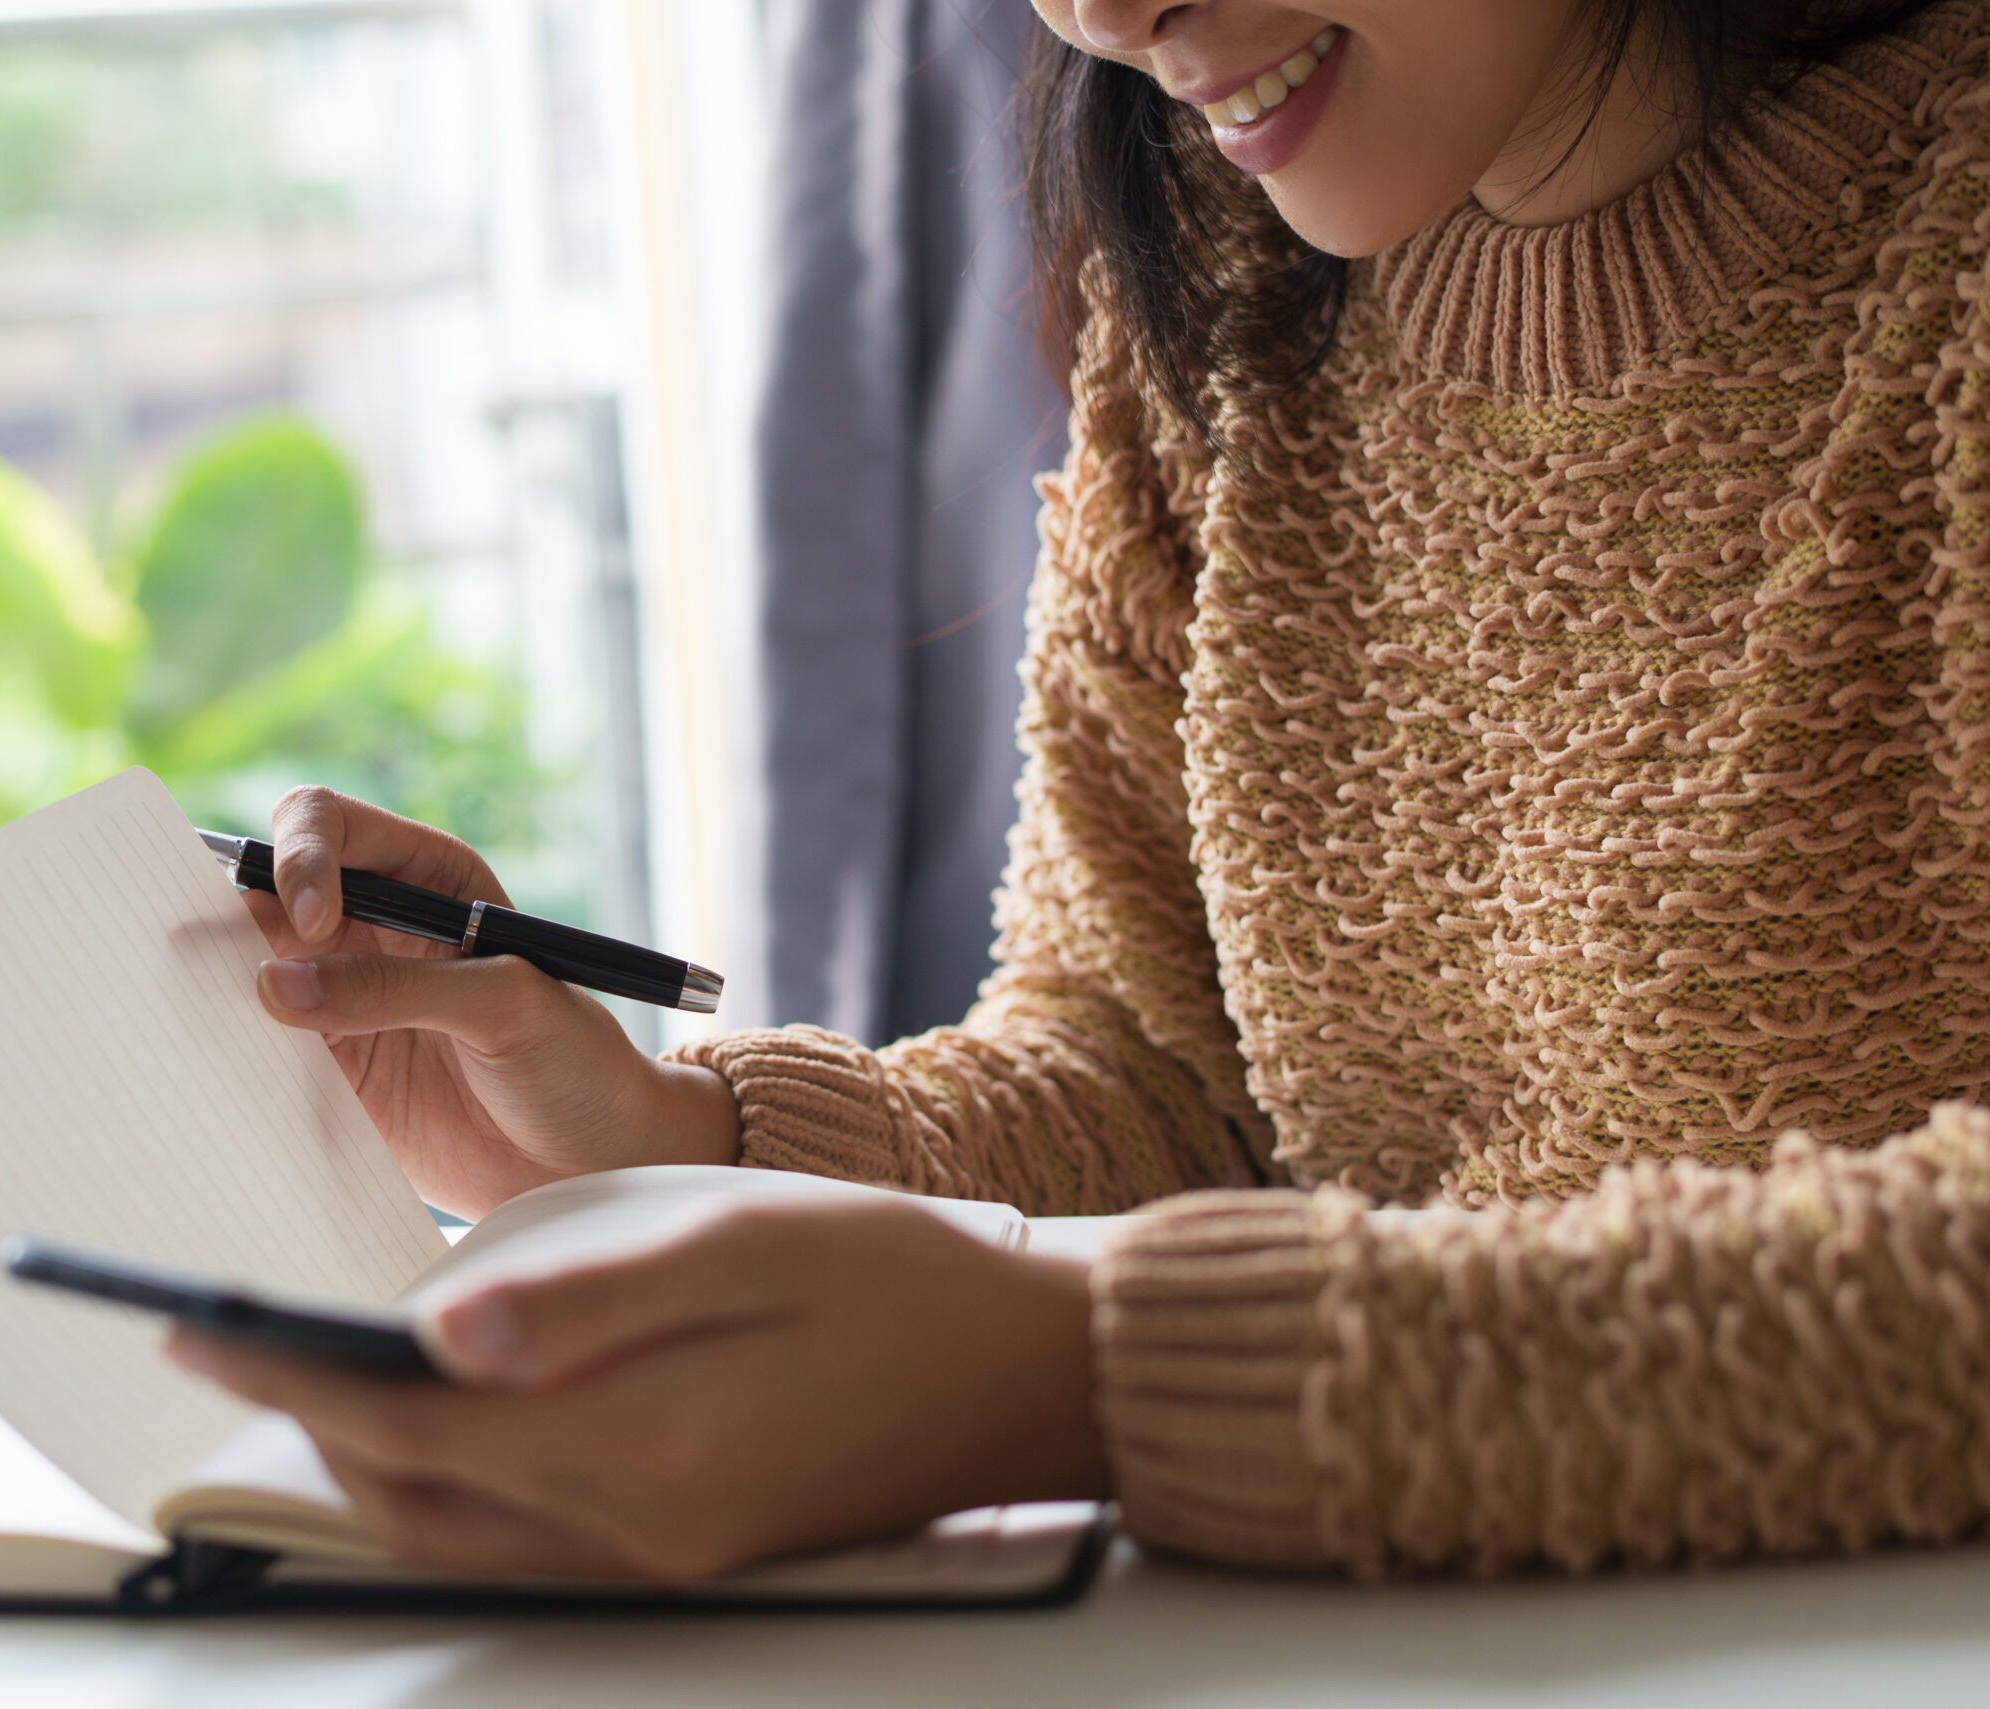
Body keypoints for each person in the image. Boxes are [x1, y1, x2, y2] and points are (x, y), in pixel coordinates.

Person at [164, 0, 1990, 1582]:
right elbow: (1154, 1068)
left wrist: (1095, 1371)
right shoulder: (1235, 269)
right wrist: (675, 1149)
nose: (1103, 16)